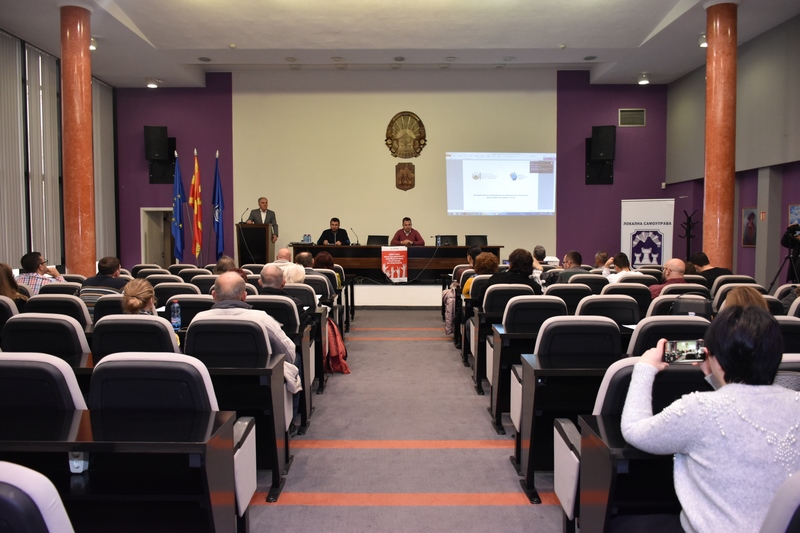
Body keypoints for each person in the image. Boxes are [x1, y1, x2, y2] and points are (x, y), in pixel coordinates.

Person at [621, 306, 799, 532]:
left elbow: (634, 430)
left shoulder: (699, 408)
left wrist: (644, 368)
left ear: (717, 359)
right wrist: (715, 376)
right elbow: (742, 402)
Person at [194, 271, 301, 421]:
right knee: (297, 359)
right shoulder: (261, 319)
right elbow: (288, 352)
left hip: (213, 387)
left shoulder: (197, 319)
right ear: (244, 295)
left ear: (213, 295)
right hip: (258, 388)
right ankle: (290, 420)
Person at [472, 248, 543, 303]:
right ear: (530, 266)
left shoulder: (495, 279)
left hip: (494, 317)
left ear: (510, 264)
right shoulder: (535, 287)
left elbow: (480, 299)